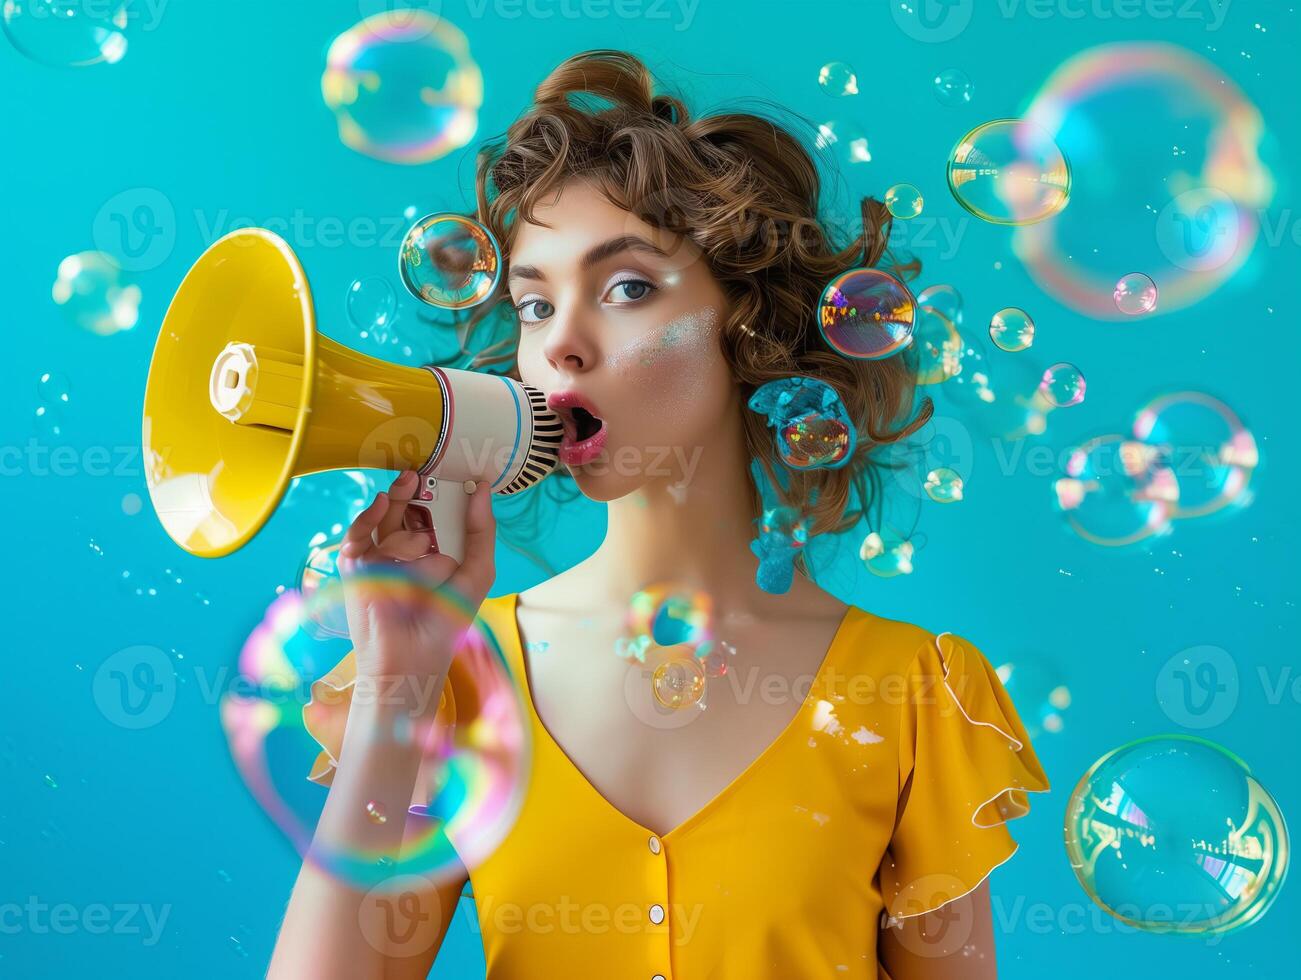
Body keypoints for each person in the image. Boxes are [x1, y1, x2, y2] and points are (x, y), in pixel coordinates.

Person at [268, 49, 1050, 980]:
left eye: (627, 288)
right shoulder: (457, 679)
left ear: (748, 325)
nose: (558, 342)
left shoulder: (916, 693)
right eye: (531, 302)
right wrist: (397, 676)